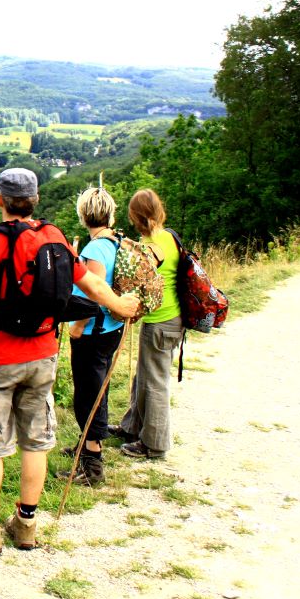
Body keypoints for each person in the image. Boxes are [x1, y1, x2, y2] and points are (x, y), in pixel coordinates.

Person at [0, 168, 139, 555]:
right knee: (35, 442)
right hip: (41, 356)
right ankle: (27, 526)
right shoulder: (52, 238)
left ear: (0, 200)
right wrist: (120, 305)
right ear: (35, 201)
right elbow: (92, 285)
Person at [58, 185, 125, 486]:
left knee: (88, 393)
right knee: (98, 388)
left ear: (84, 216)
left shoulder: (94, 250)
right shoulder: (116, 242)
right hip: (112, 327)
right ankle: (86, 445)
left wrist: (78, 326)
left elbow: (93, 294)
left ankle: (92, 464)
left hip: (94, 330)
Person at [110, 188, 183, 459]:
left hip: (159, 322)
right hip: (173, 319)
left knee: (154, 382)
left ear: (135, 216)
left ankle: (154, 444)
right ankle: (132, 426)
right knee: (144, 375)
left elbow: (138, 284)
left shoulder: (148, 247)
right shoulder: (169, 237)